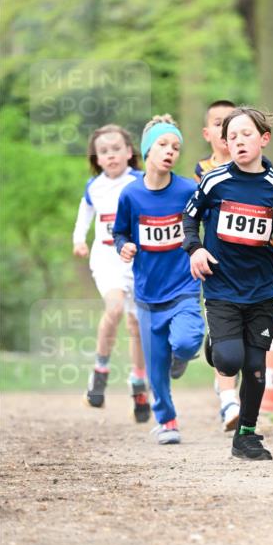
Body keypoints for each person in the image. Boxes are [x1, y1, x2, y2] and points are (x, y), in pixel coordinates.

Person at [183, 106, 273, 461]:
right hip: (221, 286)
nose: (238, 142)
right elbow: (189, 220)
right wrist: (195, 250)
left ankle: (246, 436)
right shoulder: (214, 181)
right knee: (229, 359)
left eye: (245, 135)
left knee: (254, 366)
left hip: (261, 289)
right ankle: (217, 343)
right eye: (231, 137)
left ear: (264, 139)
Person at [113, 115, 205, 445]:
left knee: (187, 340)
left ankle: (182, 354)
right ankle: (167, 421)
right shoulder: (131, 195)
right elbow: (120, 230)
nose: (170, 152)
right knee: (155, 370)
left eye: (176, 147)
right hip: (148, 293)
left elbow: (211, 217)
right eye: (163, 145)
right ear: (148, 151)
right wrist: (124, 246)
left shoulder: (188, 190)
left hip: (183, 286)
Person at [72, 124, 150, 421]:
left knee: (135, 324)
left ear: (129, 152)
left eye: (117, 149)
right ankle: (99, 373)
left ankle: (138, 384)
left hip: (138, 261)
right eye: (104, 151)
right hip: (106, 259)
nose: (111, 155)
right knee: (115, 308)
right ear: (97, 158)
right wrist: (78, 240)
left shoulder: (141, 181)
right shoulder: (94, 186)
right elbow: (84, 218)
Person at [194, 98, 241, 431]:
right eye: (218, 122)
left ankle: (228, 389)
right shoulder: (202, 171)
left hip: (249, 264)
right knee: (223, 331)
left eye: (231, 121)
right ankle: (229, 403)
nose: (225, 129)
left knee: (241, 335)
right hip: (215, 262)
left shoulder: (254, 168)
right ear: (208, 132)